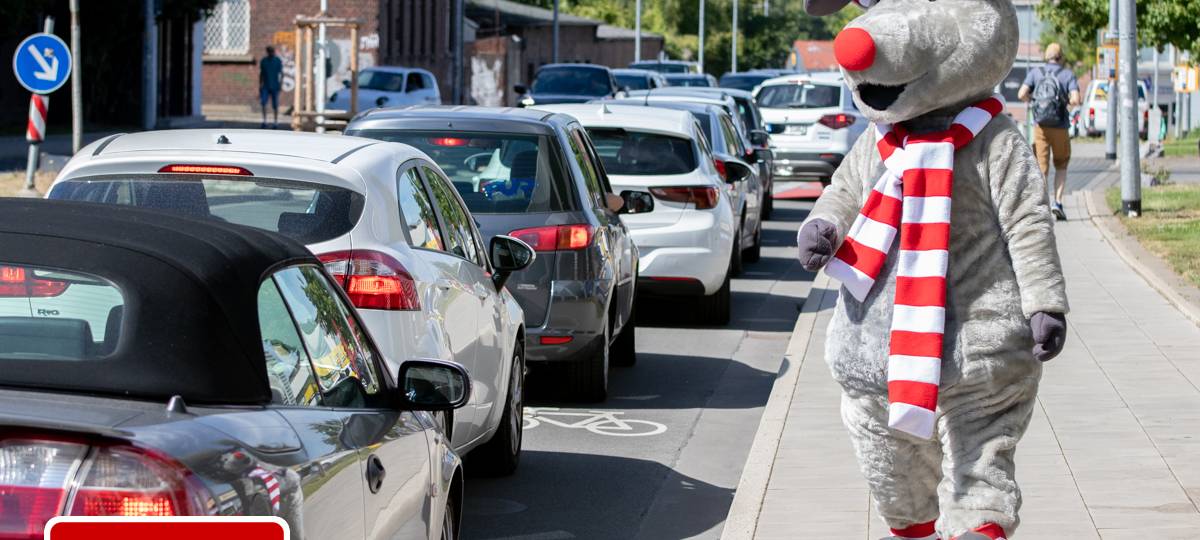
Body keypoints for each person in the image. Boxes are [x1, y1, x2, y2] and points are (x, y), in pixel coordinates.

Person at [1019, 42, 1080, 221]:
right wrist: (1066, 103)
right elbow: (1076, 99)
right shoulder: (1067, 75)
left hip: (1040, 127)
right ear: (1061, 58)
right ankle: (1058, 202)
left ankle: (1042, 206)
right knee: (1061, 164)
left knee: (1041, 167)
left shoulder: (1036, 73)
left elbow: (1021, 94)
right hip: (1060, 126)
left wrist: (1034, 101)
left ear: (1046, 56)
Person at [259, 46, 283, 129]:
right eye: (269, 52)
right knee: (263, 103)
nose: (271, 53)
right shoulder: (264, 61)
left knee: (275, 105)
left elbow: (281, 74)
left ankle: (275, 122)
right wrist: (260, 85)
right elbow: (261, 74)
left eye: (272, 51)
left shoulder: (277, 61)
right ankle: (264, 121)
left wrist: (280, 85)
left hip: (275, 86)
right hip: (266, 86)